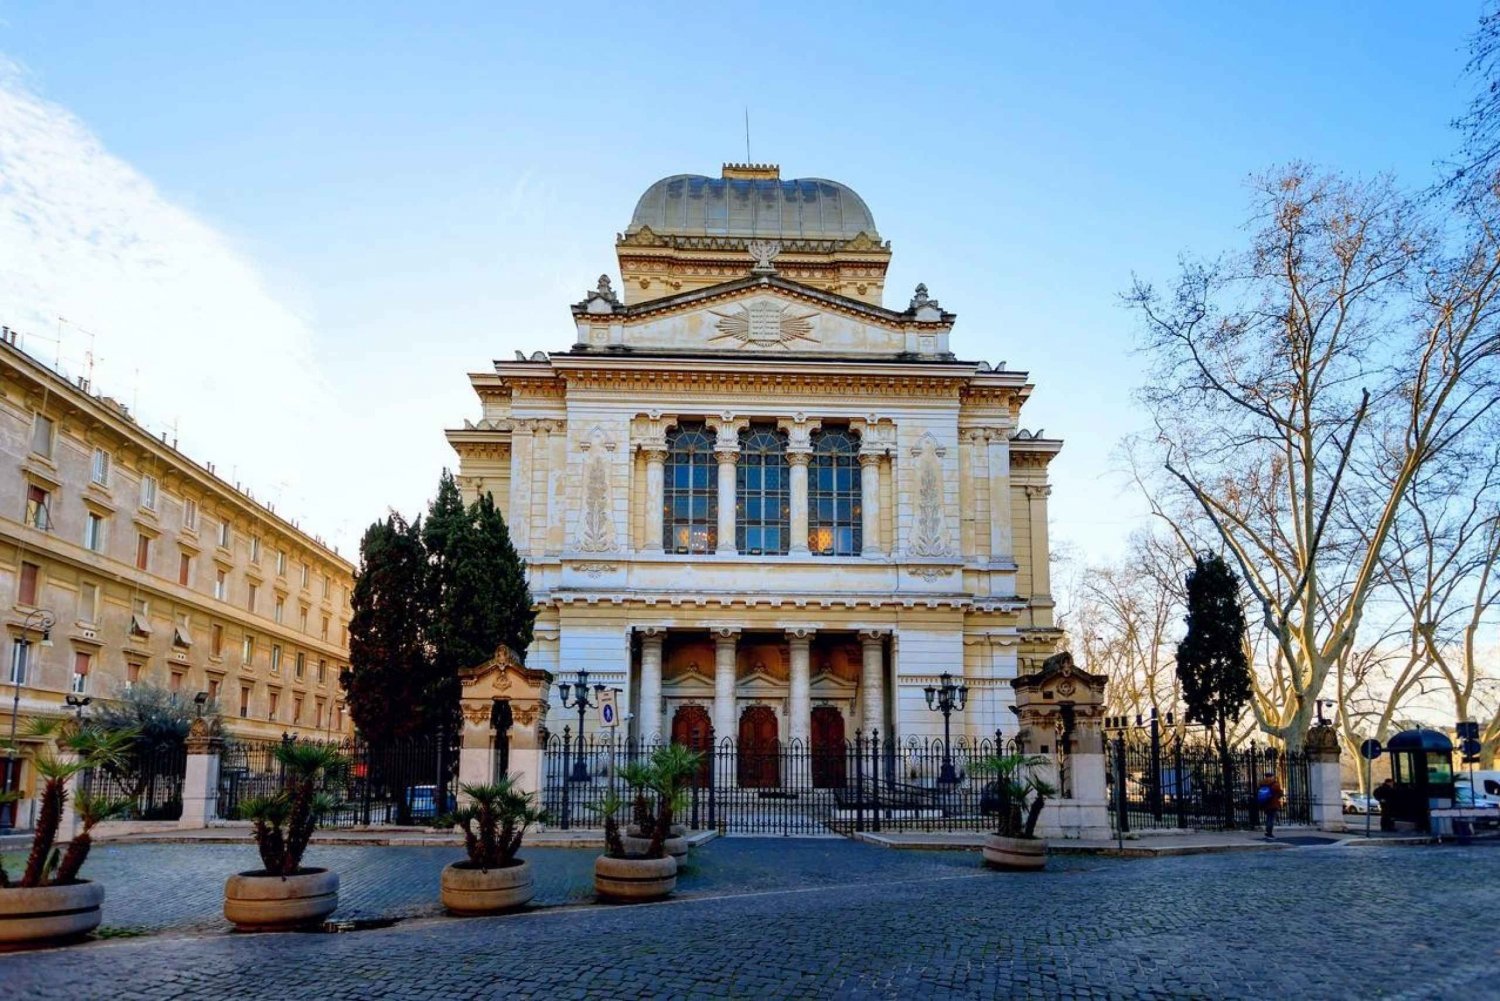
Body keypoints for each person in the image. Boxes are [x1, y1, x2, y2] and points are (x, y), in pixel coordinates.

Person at [1257, 770, 1284, 839]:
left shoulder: (1261, 783)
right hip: (1273, 804)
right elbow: (1280, 793)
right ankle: (1269, 832)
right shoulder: (1275, 784)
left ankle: (1267, 831)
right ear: (1271, 776)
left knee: (1268, 818)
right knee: (1271, 819)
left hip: (1265, 803)